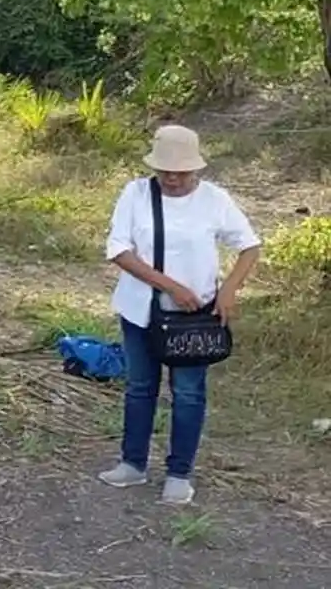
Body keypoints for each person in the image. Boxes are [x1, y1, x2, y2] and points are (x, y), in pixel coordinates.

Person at [99, 125, 261, 505]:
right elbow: (119, 250)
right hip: (142, 312)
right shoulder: (135, 194)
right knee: (140, 388)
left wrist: (229, 290)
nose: (172, 179)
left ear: (196, 169)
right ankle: (133, 463)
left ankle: (179, 473)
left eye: (181, 173)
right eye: (165, 172)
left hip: (196, 319)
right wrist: (170, 286)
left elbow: (249, 246)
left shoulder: (214, 200)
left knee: (188, 393)